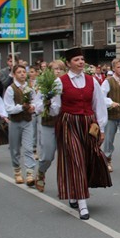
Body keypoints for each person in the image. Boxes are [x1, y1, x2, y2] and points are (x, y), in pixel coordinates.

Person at [49, 47, 112, 220]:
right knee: (75, 160)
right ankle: (83, 203)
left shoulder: (92, 81)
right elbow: (55, 109)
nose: (81, 62)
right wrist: (47, 101)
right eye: (76, 60)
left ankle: (74, 193)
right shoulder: (60, 82)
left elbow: (98, 105)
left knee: (86, 160)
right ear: (69, 63)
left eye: (82, 59)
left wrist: (102, 129)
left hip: (88, 123)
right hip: (69, 123)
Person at [33, 60, 66, 193]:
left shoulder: (67, 85)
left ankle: (64, 185)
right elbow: (37, 106)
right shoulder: (44, 86)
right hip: (49, 123)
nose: (58, 71)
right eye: (55, 69)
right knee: (48, 155)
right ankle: (41, 171)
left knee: (65, 156)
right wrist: (46, 103)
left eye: (60, 69)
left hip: (64, 123)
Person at [4, 64, 37, 186]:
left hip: (27, 121)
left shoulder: (29, 88)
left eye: (24, 72)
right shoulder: (11, 89)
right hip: (15, 121)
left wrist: (32, 107)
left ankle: (29, 173)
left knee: (28, 147)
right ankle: (17, 171)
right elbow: (8, 108)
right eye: (19, 72)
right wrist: (21, 107)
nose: (22, 74)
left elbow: (34, 101)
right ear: (14, 75)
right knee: (15, 148)